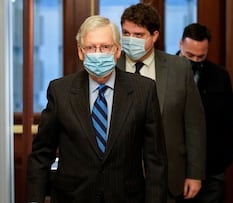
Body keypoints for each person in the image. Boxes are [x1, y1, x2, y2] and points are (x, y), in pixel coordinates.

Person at [26, 15, 168, 203]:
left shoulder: (144, 90)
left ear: (117, 50)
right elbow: (42, 153)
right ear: (80, 52)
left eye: (105, 47)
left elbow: (155, 160)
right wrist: (35, 199)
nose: (98, 53)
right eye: (91, 48)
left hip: (126, 197)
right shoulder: (60, 91)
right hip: (73, 196)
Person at [116, 3, 207, 203]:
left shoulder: (179, 68)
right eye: (126, 33)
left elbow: (194, 125)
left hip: (168, 176)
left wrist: (195, 173)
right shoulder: (111, 66)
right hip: (120, 178)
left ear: (154, 35)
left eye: (138, 35)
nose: (130, 40)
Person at [176, 23, 233, 203]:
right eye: (190, 55)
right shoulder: (166, 71)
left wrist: (221, 163)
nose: (195, 60)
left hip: (212, 171)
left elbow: (230, 124)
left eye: (200, 56)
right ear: (181, 44)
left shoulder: (220, 76)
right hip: (175, 170)